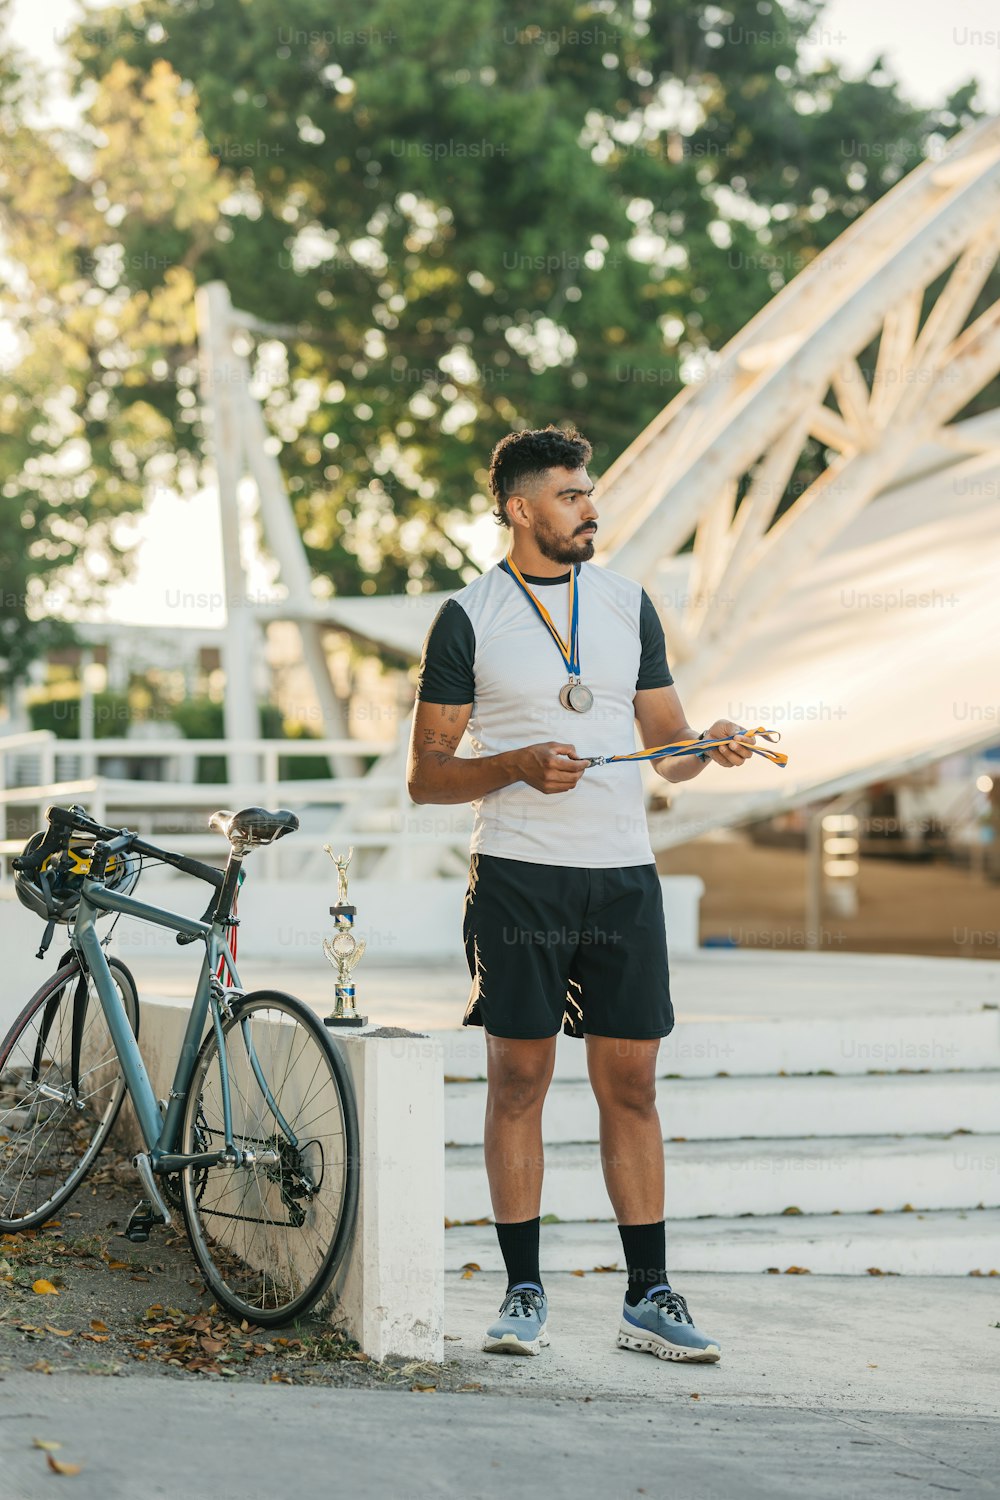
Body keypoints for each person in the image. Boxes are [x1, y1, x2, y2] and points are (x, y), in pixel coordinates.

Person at [406, 425, 756, 1364]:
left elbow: (668, 748)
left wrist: (707, 745)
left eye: (590, 492)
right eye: (570, 495)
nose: (591, 509)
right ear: (520, 509)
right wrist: (516, 764)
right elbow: (427, 778)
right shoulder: (467, 617)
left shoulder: (627, 600)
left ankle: (649, 1296)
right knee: (519, 1080)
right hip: (520, 878)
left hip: (622, 876)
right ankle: (522, 1291)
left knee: (631, 1086)